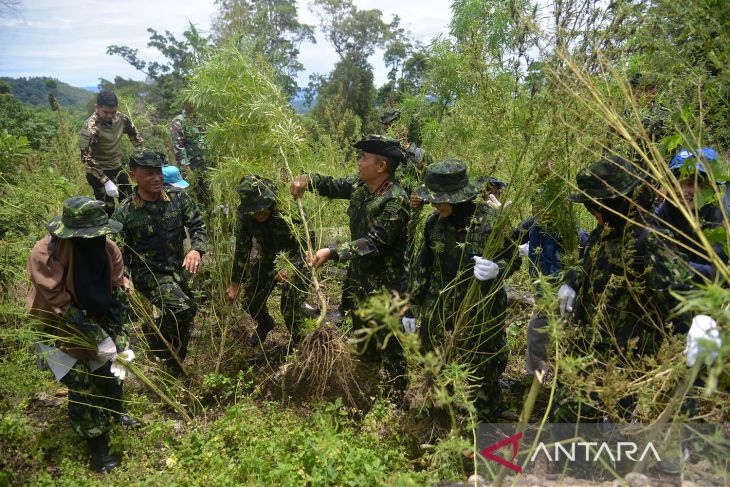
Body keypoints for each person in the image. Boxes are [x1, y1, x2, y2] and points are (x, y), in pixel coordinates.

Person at [551, 157, 695, 426]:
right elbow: (593, 264)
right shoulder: (608, 230)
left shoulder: (651, 241)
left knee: (567, 421)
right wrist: (571, 280)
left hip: (624, 360)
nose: (592, 212)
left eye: (595, 205)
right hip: (589, 348)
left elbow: (681, 308)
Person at [290, 134, 410, 389]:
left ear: (381, 166)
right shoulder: (360, 186)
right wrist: (307, 179)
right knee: (361, 331)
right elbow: (332, 185)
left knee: (390, 340)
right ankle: (366, 383)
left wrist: (331, 253)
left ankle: (396, 394)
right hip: (359, 277)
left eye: (364, 158)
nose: (358, 162)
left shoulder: (396, 201)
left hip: (387, 284)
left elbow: (373, 242)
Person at [26, 197, 137, 473]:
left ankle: (115, 412)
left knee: (112, 370)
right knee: (80, 382)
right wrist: (100, 339)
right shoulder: (46, 255)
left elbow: (116, 295)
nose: (94, 241)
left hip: (96, 316)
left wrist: (120, 340)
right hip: (57, 325)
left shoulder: (109, 251)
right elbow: (61, 306)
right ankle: (96, 442)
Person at [408, 159, 521, 421]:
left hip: (481, 310)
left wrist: (497, 268)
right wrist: (411, 308)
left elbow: (513, 258)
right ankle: (439, 415)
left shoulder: (491, 222)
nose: (436, 205)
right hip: (439, 307)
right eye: (433, 200)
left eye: (441, 200)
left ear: (460, 198)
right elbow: (421, 266)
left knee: (485, 364)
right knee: (435, 363)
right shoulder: (433, 224)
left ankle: (487, 417)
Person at [113, 150, 207, 376]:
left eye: (158, 172)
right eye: (149, 174)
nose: (156, 178)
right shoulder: (125, 211)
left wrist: (196, 249)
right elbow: (117, 249)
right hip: (149, 275)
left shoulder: (177, 197)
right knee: (183, 309)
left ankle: (173, 360)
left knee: (187, 312)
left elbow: (197, 225)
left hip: (177, 270)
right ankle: (160, 343)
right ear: (133, 175)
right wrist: (122, 275)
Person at [226, 175, 313, 347]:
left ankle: (301, 344)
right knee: (251, 300)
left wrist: (291, 267)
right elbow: (242, 248)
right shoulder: (244, 215)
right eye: (253, 210)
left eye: (262, 208)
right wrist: (235, 282)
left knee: (289, 306)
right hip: (268, 258)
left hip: (297, 259)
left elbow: (308, 245)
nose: (258, 213)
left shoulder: (290, 209)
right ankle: (265, 323)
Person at [653, 147, 728, 280]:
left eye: (690, 184)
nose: (681, 191)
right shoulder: (664, 212)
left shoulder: (720, 215)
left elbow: (721, 273)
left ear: (709, 187)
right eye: (676, 183)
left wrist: (678, 267)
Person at [79, 90, 143, 216]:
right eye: (106, 112)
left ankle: (128, 232)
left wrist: (140, 151)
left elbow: (134, 134)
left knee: (129, 200)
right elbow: (86, 158)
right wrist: (106, 181)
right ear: (97, 107)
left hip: (116, 167)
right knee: (107, 208)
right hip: (97, 172)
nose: (110, 116)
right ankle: (110, 234)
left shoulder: (121, 119)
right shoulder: (90, 128)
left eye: (113, 112)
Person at [171, 102, 209, 210]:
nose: (195, 104)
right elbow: (178, 148)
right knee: (192, 201)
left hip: (206, 167)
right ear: (185, 103)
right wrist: (187, 170)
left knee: (208, 199)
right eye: (191, 101)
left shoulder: (201, 119)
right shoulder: (179, 121)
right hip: (191, 169)